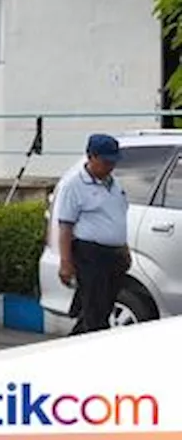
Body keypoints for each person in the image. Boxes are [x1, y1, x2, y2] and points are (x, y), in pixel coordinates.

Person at [56, 134, 133, 335]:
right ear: (91, 157)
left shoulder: (115, 185)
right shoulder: (74, 186)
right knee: (94, 312)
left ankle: (72, 347)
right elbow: (65, 226)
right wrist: (65, 262)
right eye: (106, 161)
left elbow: (117, 218)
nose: (110, 166)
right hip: (90, 253)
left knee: (103, 307)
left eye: (113, 162)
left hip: (113, 254)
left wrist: (124, 248)